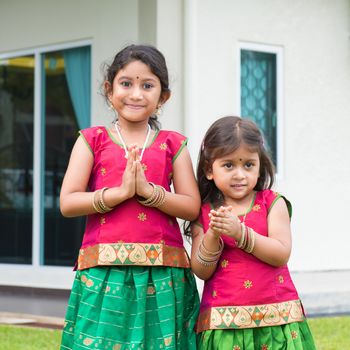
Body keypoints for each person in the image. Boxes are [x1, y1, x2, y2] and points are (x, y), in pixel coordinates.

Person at [59, 44, 200, 350]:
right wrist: (119, 194)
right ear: (109, 90)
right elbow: (68, 202)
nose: (136, 94)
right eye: (126, 83)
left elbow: (191, 206)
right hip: (104, 273)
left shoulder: (172, 144)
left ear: (163, 97)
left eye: (147, 85)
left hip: (163, 274)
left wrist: (150, 194)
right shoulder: (91, 140)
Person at [187, 116, 316, 349]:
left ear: (260, 166)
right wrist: (212, 235)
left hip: (277, 320)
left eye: (248, 164)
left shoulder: (272, 202)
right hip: (224, 326)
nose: (240, 174)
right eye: (228, 165)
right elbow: (201, 271)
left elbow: (281, 253)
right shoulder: (205, 212)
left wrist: (240, 234)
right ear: (209, 169)